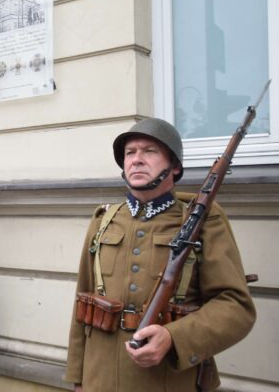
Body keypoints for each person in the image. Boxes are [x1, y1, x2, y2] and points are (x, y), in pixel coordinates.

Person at [64, 118, 256, 391]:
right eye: (130, 153)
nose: (137, 160)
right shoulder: (104, 219)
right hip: (100, 378)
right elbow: (83, 303)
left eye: (149, 151)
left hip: (166, 380)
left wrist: (173, 337)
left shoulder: (202, 220)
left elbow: (236, 307)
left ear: (174, 166)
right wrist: (78, 378)